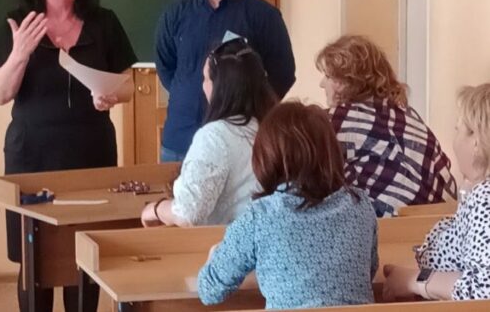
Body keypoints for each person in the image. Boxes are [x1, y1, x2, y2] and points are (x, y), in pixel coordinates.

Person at [0, 0, 137, 312]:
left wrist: (111, 95)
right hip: (31, 157)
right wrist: (19, 53)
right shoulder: (18, 23)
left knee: (85, 255)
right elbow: (2, 94)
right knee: (35, 257)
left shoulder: (103, 22)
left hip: (91, 154)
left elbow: (128, 85)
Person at [197, 101, 378, 310]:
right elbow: (369, 270)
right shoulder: (360, 205)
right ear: (331, 152)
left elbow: (209, 291)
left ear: (267, 157)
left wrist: (213, 257)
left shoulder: (260, 217)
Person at [155, 0, 295, 162]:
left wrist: (251, 109)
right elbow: (166, 68)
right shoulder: (175, 14)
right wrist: (191, 94)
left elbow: (283, 74)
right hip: (181, 142)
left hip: (240, 145)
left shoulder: (263, 16)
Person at [316, 35, 457, 217]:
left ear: (345, 83)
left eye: (328, 76)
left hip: (385, 228)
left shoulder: (334, 121)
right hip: (441, 224)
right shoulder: (409, 116)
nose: (322, 84)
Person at [141, 37, 277, 227]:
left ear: (220, 87)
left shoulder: (215, 136)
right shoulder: (276, 129)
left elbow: (188, 214)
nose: (203, 85)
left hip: (227, 241)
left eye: (205, 78)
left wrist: (155, 209)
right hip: (268, 238)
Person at [383, 83, 490, 301]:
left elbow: (483, 289)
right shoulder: (477, 193)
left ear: (476, 142)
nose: (454, 139)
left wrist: (413, 281)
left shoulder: (485, 199)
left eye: (458, 129)